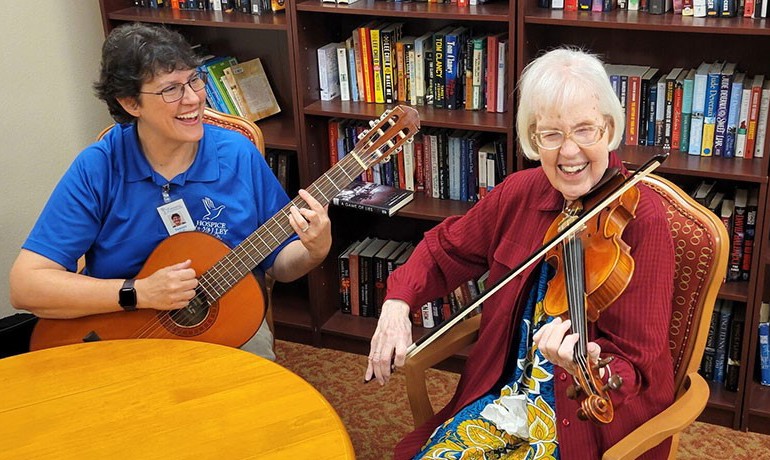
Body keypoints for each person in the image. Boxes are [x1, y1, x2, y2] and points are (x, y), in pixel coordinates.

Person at [365, 47, 676, 459]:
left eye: (586, 129)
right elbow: (444, 249)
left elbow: (636, 362)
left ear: (610, 128)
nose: (569, 152)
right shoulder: (520, 193)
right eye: (551, 134)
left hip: (586, 424)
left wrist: (590, 368)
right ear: (533, 139)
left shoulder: (643, 219)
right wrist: (397, 302)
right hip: (502, 397)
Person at [9, 23, 331, 361]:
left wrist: (313, 251)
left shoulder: (237, 154)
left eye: (194, 79)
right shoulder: (99, 167)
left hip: (226, 320)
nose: (193, 99)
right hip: (123, 331)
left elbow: (279, 263)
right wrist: (139, 293)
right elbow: (26, 287)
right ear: (131, 103)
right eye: (171, 90)